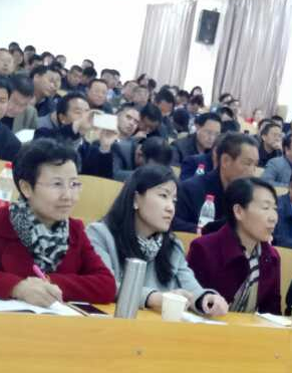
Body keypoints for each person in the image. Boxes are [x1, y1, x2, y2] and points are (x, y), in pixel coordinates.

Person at [0, 138, 117, 305]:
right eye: (57, 184)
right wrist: (17, 287)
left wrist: (48, 284)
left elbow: (106, 285)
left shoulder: (75, 231)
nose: (68, 196)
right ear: (26, 188)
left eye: (74, 184)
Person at [87, 165, 228, 316]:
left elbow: (190, 287)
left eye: (174, 200)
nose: (171, 208)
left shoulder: (173, 246)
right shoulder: (100, 235)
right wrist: (154, 298)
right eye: (163, 196)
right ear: (136, 199)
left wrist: (206, 299)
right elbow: (105, 285)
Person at [187, 177, 281, 314]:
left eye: (275, 209)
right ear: (238, 211)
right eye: (265, 208)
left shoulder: (272, 257)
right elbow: (191, 301)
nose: (273, 218)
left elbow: (272, 313)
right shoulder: (204, 249)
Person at [172, 133, 259, 233]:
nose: (252, 172)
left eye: (255, 165)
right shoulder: (191, 189)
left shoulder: (250, 196)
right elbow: (173, 224)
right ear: (225, 161)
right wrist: (207, 232)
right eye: (247, 163)